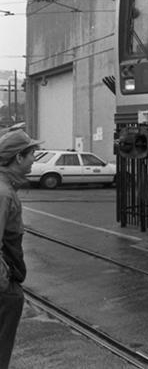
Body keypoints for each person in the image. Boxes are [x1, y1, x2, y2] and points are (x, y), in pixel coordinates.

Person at [0, 129, 41, 368]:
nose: (34, 159)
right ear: (18, 158)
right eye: (32, 153)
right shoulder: (4, 194)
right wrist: (5, 286)